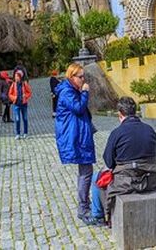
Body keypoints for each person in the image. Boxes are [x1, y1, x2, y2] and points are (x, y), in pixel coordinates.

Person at [89, 96, 156, 226]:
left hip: (125, 182)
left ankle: (98, 216)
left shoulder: (117, 133)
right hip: (150, 180)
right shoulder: (150, 130)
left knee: (95, 177)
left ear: (120, 114)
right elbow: (155, 155)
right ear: (135, 111)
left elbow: (108, 161)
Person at [55, 63, 97, 224]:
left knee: (85, 171)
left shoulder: (71, 90)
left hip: (79, 135)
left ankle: (84, 205)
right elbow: (78, 108)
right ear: (71, 77)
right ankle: (83, 208)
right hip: (76, 137)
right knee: (86, 172)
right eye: (80, 77)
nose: (83, 79)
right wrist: (85, 92)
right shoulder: (67, 92)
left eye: (83, 76)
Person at [9, 68, 32, 139]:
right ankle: (18, 133)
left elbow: (29, 92)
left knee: (25, 119)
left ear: (20, 77)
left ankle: (25, 133)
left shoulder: (24, 84)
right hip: (16, 104)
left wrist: (26, 96)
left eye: (17, 76)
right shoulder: (13, 84)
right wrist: (14, 98)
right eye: (15, 76)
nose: (16, 78)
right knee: (17, 119)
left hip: (24, 104)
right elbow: (10, 94)